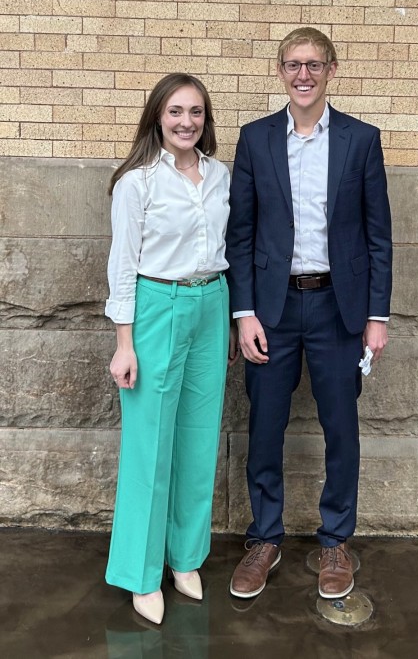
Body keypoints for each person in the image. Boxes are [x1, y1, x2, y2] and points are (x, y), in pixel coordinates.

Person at [226, 27, 392, 600]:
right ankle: (264, 538)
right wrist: (244, 312)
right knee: (265, 425)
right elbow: (241, 233)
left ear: (332, 70)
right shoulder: (255, 140)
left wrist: (378, 317)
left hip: (338, 310)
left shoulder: (361, 140)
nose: (303, 75)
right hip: (270, 310)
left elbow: (378, 237)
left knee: (341, 428)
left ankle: (335, 540)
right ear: (280, 72)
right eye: (294, 65)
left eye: (314, 65)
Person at [105, 73, 239, 625]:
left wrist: (230, 321)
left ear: (206, 120)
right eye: (176, 111)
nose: (187, 122)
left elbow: (229, 247)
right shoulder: (137, 182)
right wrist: (124, 343)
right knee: (149, 443)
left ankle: (185, 559)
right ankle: (140, 573)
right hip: (157, 307)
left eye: (198, 113)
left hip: (211, 302)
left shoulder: (220, 176)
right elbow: (122, 265)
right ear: (158, 116)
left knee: (198, 436)